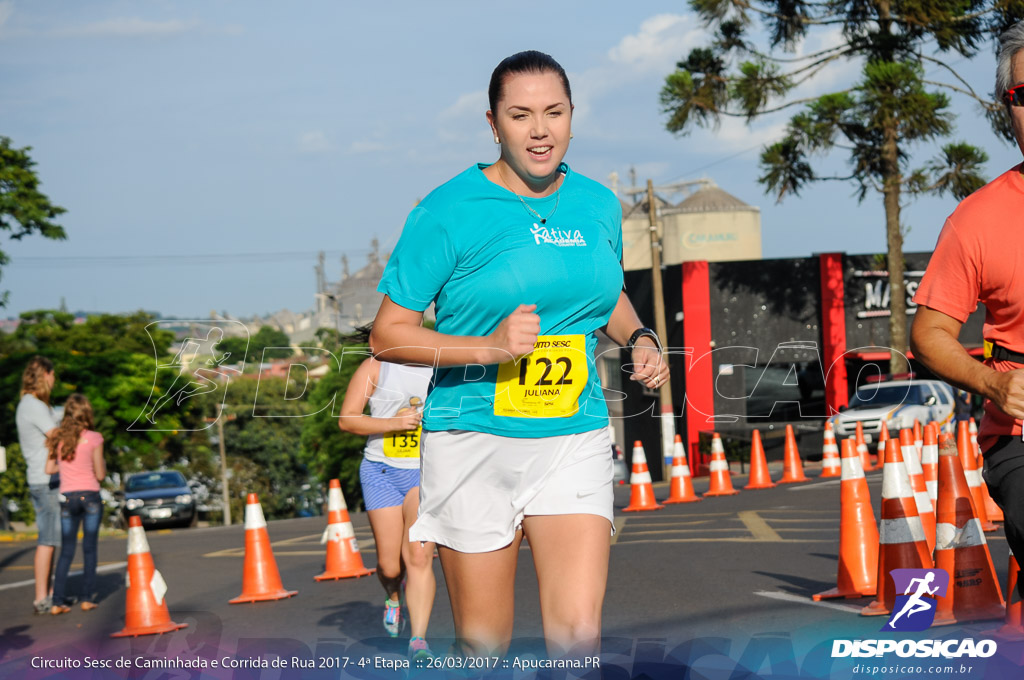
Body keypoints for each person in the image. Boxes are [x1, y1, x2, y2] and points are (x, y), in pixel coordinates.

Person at [369, 50, 668, 658]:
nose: (539, 131)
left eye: (553, 113)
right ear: (493, 122)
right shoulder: (447, 211)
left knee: (578, 638)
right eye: (521, 115)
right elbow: (388, 334)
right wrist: (491, 346)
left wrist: (639, 337)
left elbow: (605, 296)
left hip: (573, 433)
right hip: (474, 437)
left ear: (572, 117)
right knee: (484, 649)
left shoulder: (597, 204)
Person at [910, 21, 1024, 597]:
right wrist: (991, 384)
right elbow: (928, 332)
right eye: (1023, 94)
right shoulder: (975, 221)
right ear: (1008, 106)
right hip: (1020, 437)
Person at [338, 354, 436, 660]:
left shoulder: (440, 364)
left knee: (418, 555)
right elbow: (347, 419)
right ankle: (394, 597)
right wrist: (395, 423)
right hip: (381, 471)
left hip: (425, 472)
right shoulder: (375, 368)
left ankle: (418, 641)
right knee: (390, 566)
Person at [45, 393, 106, 615]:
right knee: (89, 549)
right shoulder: (94, 438)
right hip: (90, 497)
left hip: (67, 498)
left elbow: (49, 469)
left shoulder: (57, 437)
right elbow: (99, 474)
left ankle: (57, 601)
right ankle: (87, 598)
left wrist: (67, 466)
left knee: (67, 551)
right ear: (86, 413)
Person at [15, 356, 60, 614]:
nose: (53, 381)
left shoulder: (29, 404)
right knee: (48, 539)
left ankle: (49, 593)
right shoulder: (35, 405)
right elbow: (57, 437)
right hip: (46, 480)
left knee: (51, 538)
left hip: (40, 479)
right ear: (44, 374)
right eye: (52, 375)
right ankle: (43, 597)